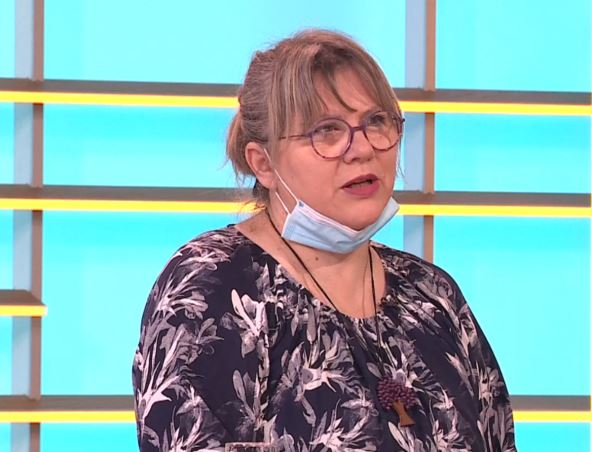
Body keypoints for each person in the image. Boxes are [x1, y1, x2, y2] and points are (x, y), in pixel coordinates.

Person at [132, 29, 516, 451]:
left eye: (376, 122)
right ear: (263, 164)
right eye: (327, 131)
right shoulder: (214, 286)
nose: (362, 149)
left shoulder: (432, 295)